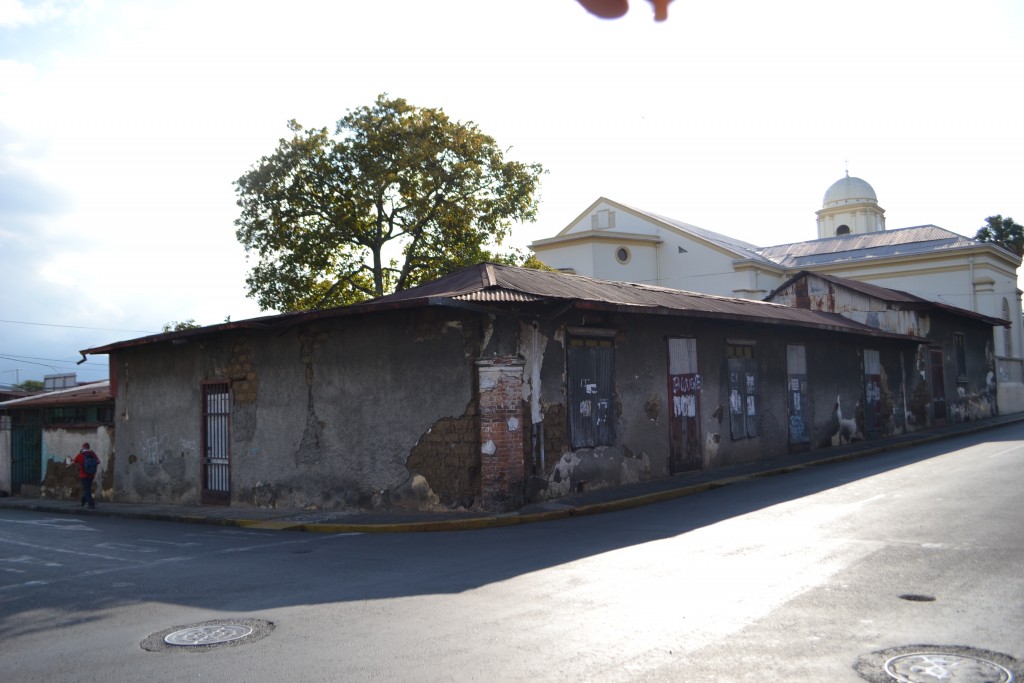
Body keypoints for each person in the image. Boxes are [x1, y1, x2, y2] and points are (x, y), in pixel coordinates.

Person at [73, 442, 99, 509]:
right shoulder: (92, 454)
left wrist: (67, 466)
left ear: (83, 447)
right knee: (87, 488)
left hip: (83, 475)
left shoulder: (80, 455)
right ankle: (83, 501)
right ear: (89, 447)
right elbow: (98, 461)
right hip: (91, 474)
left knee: (86, 489)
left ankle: (91, 503)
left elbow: (74, 462)